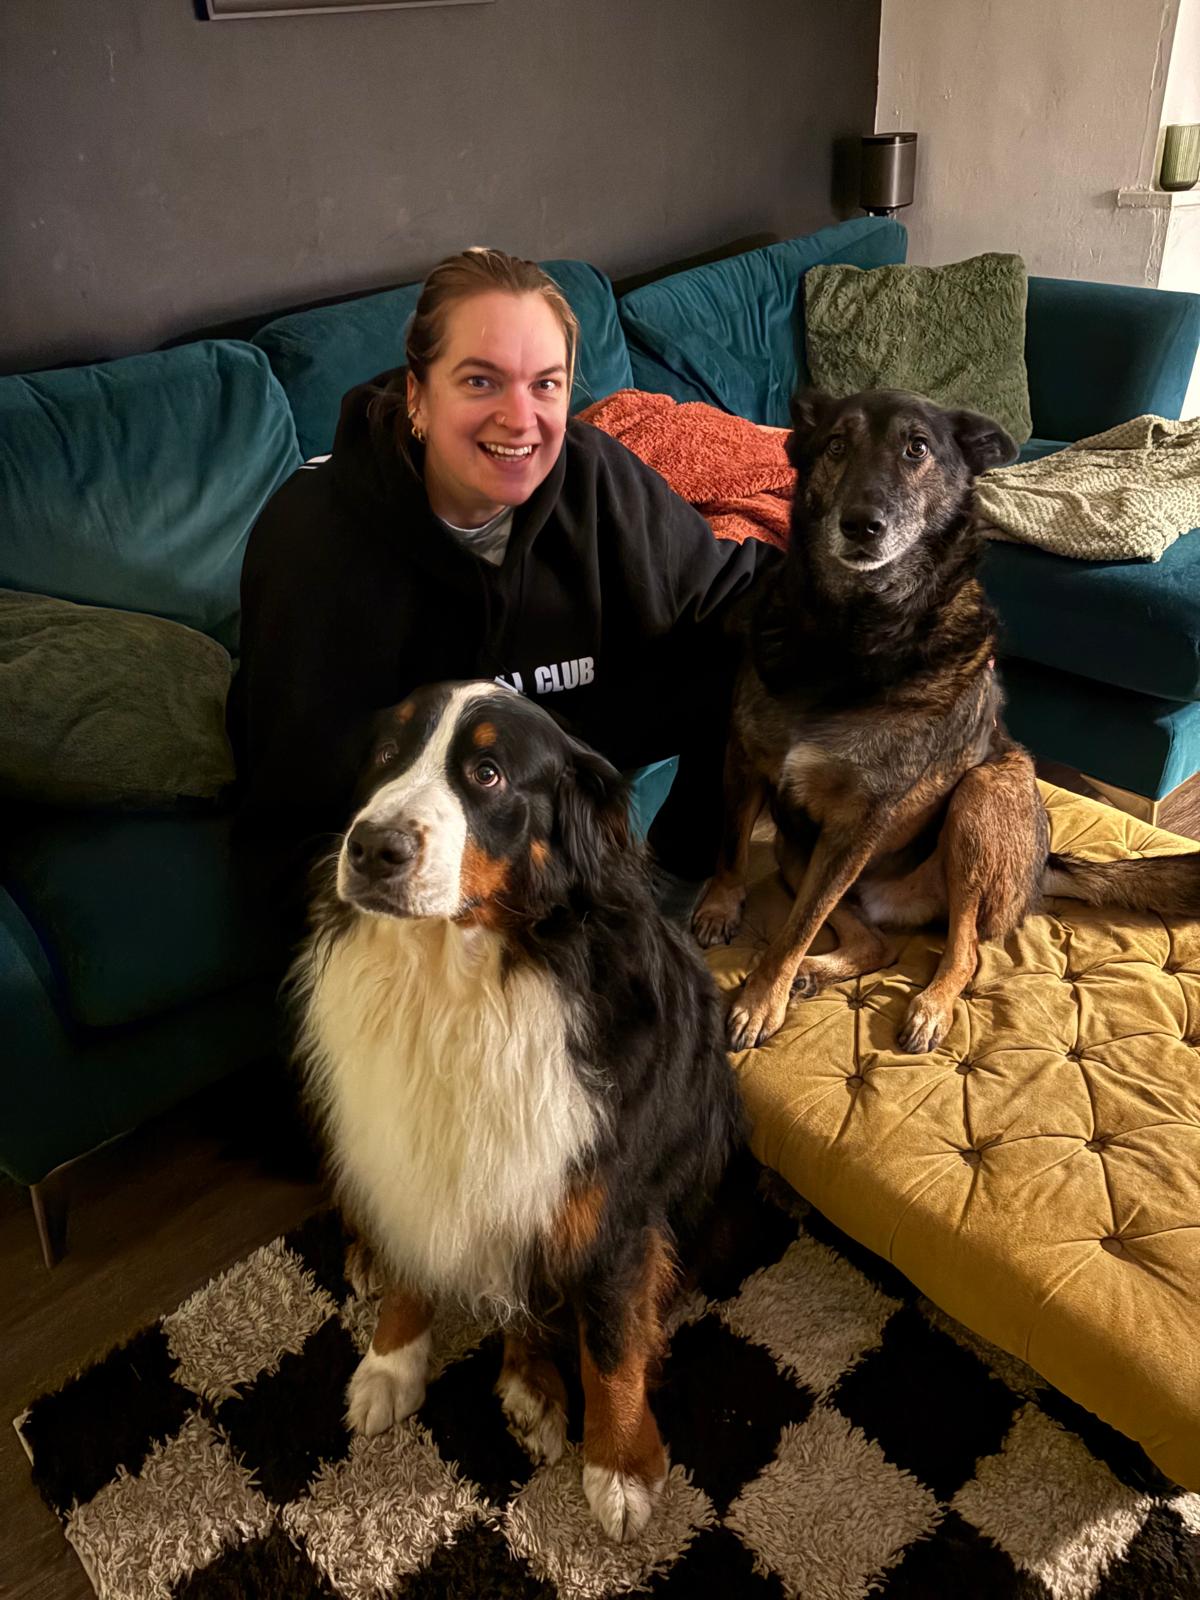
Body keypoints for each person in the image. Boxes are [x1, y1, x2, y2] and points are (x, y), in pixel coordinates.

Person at [227, 247, 776, 922]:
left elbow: (739, 596)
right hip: (406, 775)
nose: (520, 419)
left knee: (747, 649)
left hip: (561, 740)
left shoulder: (594, 474)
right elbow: (293, 800)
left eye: (545, 384)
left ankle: (668, 888)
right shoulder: (309, 538)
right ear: (417, 397)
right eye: (481, 382)